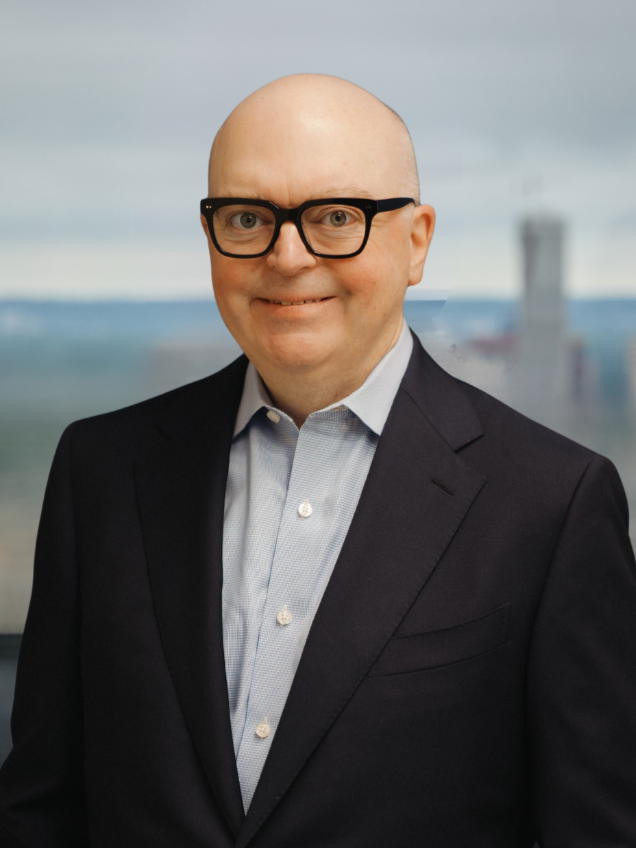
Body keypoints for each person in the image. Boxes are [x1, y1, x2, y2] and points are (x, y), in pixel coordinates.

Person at [1, 74, 635, 848]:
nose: (287, 255)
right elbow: (41, 807)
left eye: (337, 217)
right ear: (211, 239)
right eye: (247, 217)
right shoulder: (99, 470)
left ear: (418, 241)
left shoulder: (552, 503)